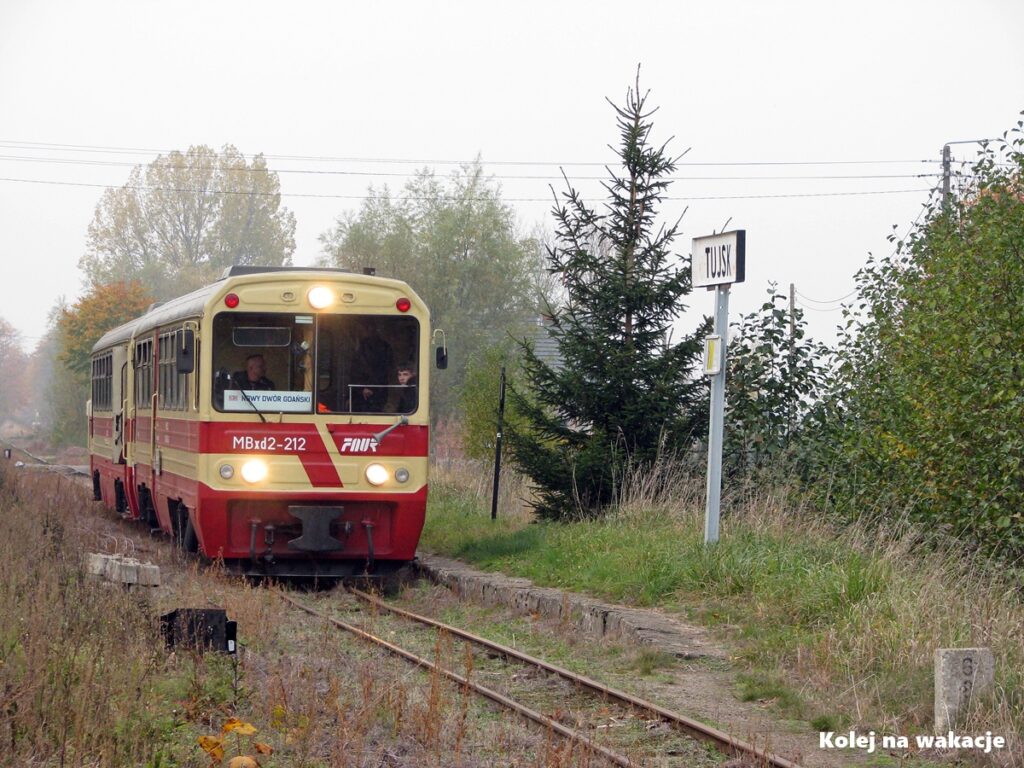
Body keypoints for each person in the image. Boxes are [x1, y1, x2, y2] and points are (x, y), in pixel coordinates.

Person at [351, 323, 393, 412]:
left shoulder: (380, 347)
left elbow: (383, 369)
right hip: (364, 388)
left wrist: (369, 386)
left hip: (378, 388)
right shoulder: (362, 347)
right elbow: (356, 369)